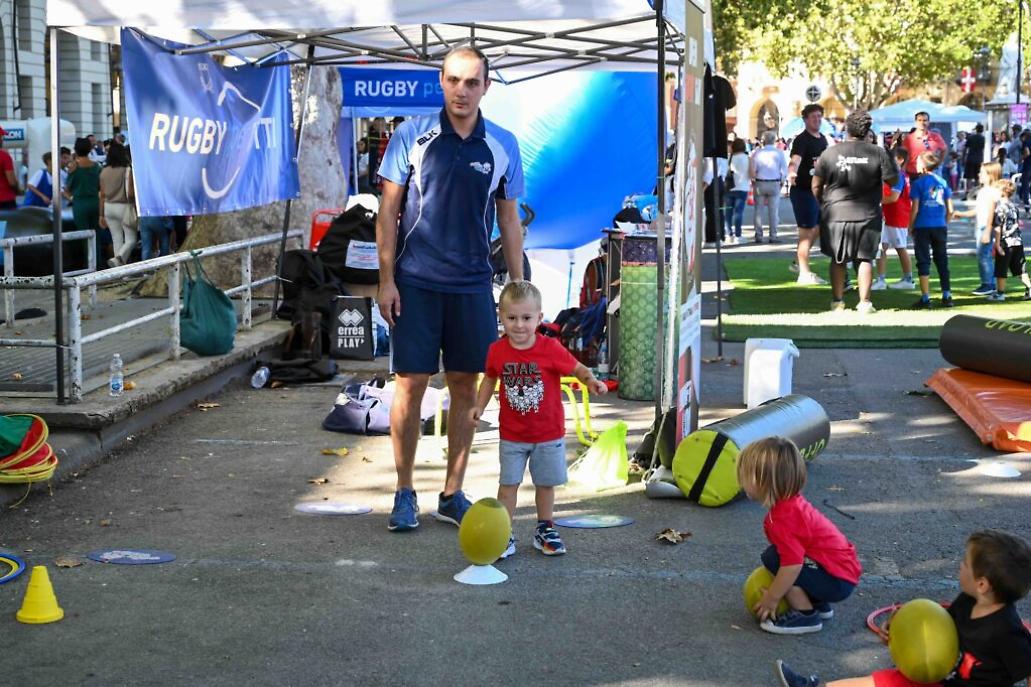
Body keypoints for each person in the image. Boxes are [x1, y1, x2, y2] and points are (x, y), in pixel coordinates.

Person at [376, 46, 525, 532]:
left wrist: (518, 287)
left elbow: (509, 219)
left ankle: (451, 492)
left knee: (466, 388)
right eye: (453, 81)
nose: (461, 90)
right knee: (410, 386)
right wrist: (386, 281)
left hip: (471, 287)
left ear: (486, 86)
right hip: (415, 284)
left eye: (471, 82)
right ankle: (403, 492)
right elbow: (388, 214)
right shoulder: (410, 136)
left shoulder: (502, 144)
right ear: (441, 82)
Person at [775, 529, 1031, 687]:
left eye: (965, 563)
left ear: (982, 584)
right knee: (884, 680)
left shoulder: (1007, 632)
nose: (960, 566)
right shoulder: (967, 601)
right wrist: (898, 630)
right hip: (938, 679)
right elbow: (935, 630)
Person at [470, 281, 607, 558]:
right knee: (508, 485)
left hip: (548, 433)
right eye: (511, 318)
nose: (519, 325)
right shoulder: (497, 350)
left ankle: (545, 528)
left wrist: (591, 381)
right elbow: (490, 379)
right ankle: (503, 532)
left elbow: (577, 367)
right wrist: (478, 406)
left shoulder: (550, 348)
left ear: (539, 318)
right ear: (501, 317)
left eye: (526, 318)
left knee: (545, 484)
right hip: (512, 434)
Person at [737, 437, 861, 635]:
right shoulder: (791, 505)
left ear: (762, 481)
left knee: (775, 558)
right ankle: (818, 602)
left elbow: (792, 565)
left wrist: (773, 597)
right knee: (777, 555)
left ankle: (805, 614)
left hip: (836, 579)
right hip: (839, 574)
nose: (741, 481)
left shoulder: (784, 519)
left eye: (744, 476)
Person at [812, 109, 898, 313]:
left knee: (838, 258)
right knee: (865, 258)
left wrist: (823, 202)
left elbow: (816, 184)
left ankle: (837, 301)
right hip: (867, 213)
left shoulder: (830, 152)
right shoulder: (878, 152)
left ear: (846, 128)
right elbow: (893, 179)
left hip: (835, 212)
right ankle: (865, 302)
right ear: (867, 130)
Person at [789, 104, 831, 285]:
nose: (817, 120)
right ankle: (804, 273)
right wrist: (792, 172)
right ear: (805, 119)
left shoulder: (823, 140)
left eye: (819, 116)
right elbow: (795, 161)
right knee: (806, 233)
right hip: (803, 191)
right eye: (813, 117)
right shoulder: (801, 140)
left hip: (819, 192)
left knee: (821, 227)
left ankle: (798, 260)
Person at [908, 152, 954, 308]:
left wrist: (910, 226)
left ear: (923, 165)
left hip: (922, 226)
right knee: (942, 260)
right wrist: (944, 223)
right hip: (939, 226)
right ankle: (947, 295)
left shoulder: (918, 183)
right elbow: (950, 209)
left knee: (923, 261)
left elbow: (914, 209)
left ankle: (926, 298)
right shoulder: (943, 182)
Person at [952, 163, 1002, 297]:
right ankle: (987, 282)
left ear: (990, 175)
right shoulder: (984, 191)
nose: (979, 175)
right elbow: (979, 210)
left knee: (984, 255)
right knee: (982, 255)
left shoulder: (990, 191)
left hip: (986, 226)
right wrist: (962, 214)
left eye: (982, 173)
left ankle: (988, 284)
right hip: (982, 226)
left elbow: (991, 212)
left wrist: (987, 230)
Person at [873, 147, 915, 291]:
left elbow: (893, 197)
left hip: (897, 217)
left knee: (900, 247)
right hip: (888, 217)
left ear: (900, 160)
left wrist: (874, 200)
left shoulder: (898, 176)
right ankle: (880, 280)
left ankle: (908, 279)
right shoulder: (896, 175)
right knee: (882, 248)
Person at [65, 137, 108, 265]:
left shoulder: (73, 167)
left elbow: (67, 188)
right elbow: (102, 188)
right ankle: (98, 263)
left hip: (79, 204)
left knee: (84, 236)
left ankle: (89, 265)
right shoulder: (97, 166)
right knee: (96, 236)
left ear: (76, 150)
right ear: (90, 149)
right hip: (95, 202)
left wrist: (72, 197)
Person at [987, 178, 1031, 302]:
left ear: (1002, 192)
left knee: (1001, 269)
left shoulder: (1000, 208)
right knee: (1020, 269)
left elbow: (997, 227)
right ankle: (1029, 288)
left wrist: (997, 244)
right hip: (1017, 241)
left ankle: (1000, 293)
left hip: (1006, 243)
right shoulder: (1014, 207)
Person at [99, 141, 137, 267]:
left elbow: (102, 194)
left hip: (108, 207)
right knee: (131, 239)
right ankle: (118, 260)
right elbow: (131, 193)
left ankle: (119, 272)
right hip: (124, 206)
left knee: (117, 239)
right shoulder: (127, 170)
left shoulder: (104, 171)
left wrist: (101, 215)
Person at [751, 130, 788, 243]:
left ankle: (758, 234)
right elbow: (784, 170)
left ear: (763, 141)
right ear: (774, 141)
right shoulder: (779, 153)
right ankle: (773, 235)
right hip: (774, 182)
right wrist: (781, 182)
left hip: (760, 182)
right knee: (773, 211)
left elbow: (753, 169)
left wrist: (753, 180)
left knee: (758, 210)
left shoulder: (757, 153)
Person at [902, 112, 947, 177]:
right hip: (912, 173)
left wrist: (939, 163)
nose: (922, 123)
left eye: (924, 120)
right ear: (916, 122)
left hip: (931, 173)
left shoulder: (936, 137)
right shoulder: (909, 138)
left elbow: (944, 150)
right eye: (919, 120)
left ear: (928, 122)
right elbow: (904, 156)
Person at [724, 138, 750, 244]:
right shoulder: (747, 158)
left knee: (728, 212)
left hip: (729, 187)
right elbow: (752, 173)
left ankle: (728, 234)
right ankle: (738, 235)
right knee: (738, 212)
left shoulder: (730, 158)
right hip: (742, 187)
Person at [963, 125, 987, 199]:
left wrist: (964, 157)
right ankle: (976, 194)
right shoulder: (983, 139)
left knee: (968, 177)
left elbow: (965, 148)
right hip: (979, 159)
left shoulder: (971, 137)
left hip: (970, 158)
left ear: (976, 129)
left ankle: (967, 194)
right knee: (978, 177)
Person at [0, 127, 19, 209]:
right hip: (5, 200)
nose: (2, 139)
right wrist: (19, 190)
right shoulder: (4, 156)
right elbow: (12, 181)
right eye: (1, 136)